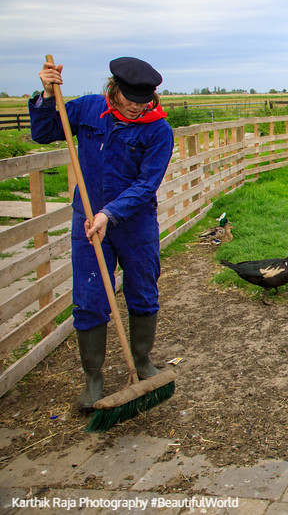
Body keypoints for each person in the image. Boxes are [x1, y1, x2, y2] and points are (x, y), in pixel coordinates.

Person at [29, 57, 174, 412]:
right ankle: (93, 378)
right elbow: (44, 132)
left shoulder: (158, 130)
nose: (138, 108)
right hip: (88, 223)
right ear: (114, 89)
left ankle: (142, 361)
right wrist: (48, 95)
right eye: (131, 101)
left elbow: (146, 184)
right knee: (91, 296)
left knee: (143, 289)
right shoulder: (89, 109)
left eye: (145, 102)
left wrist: (111, 213)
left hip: (134, 223)